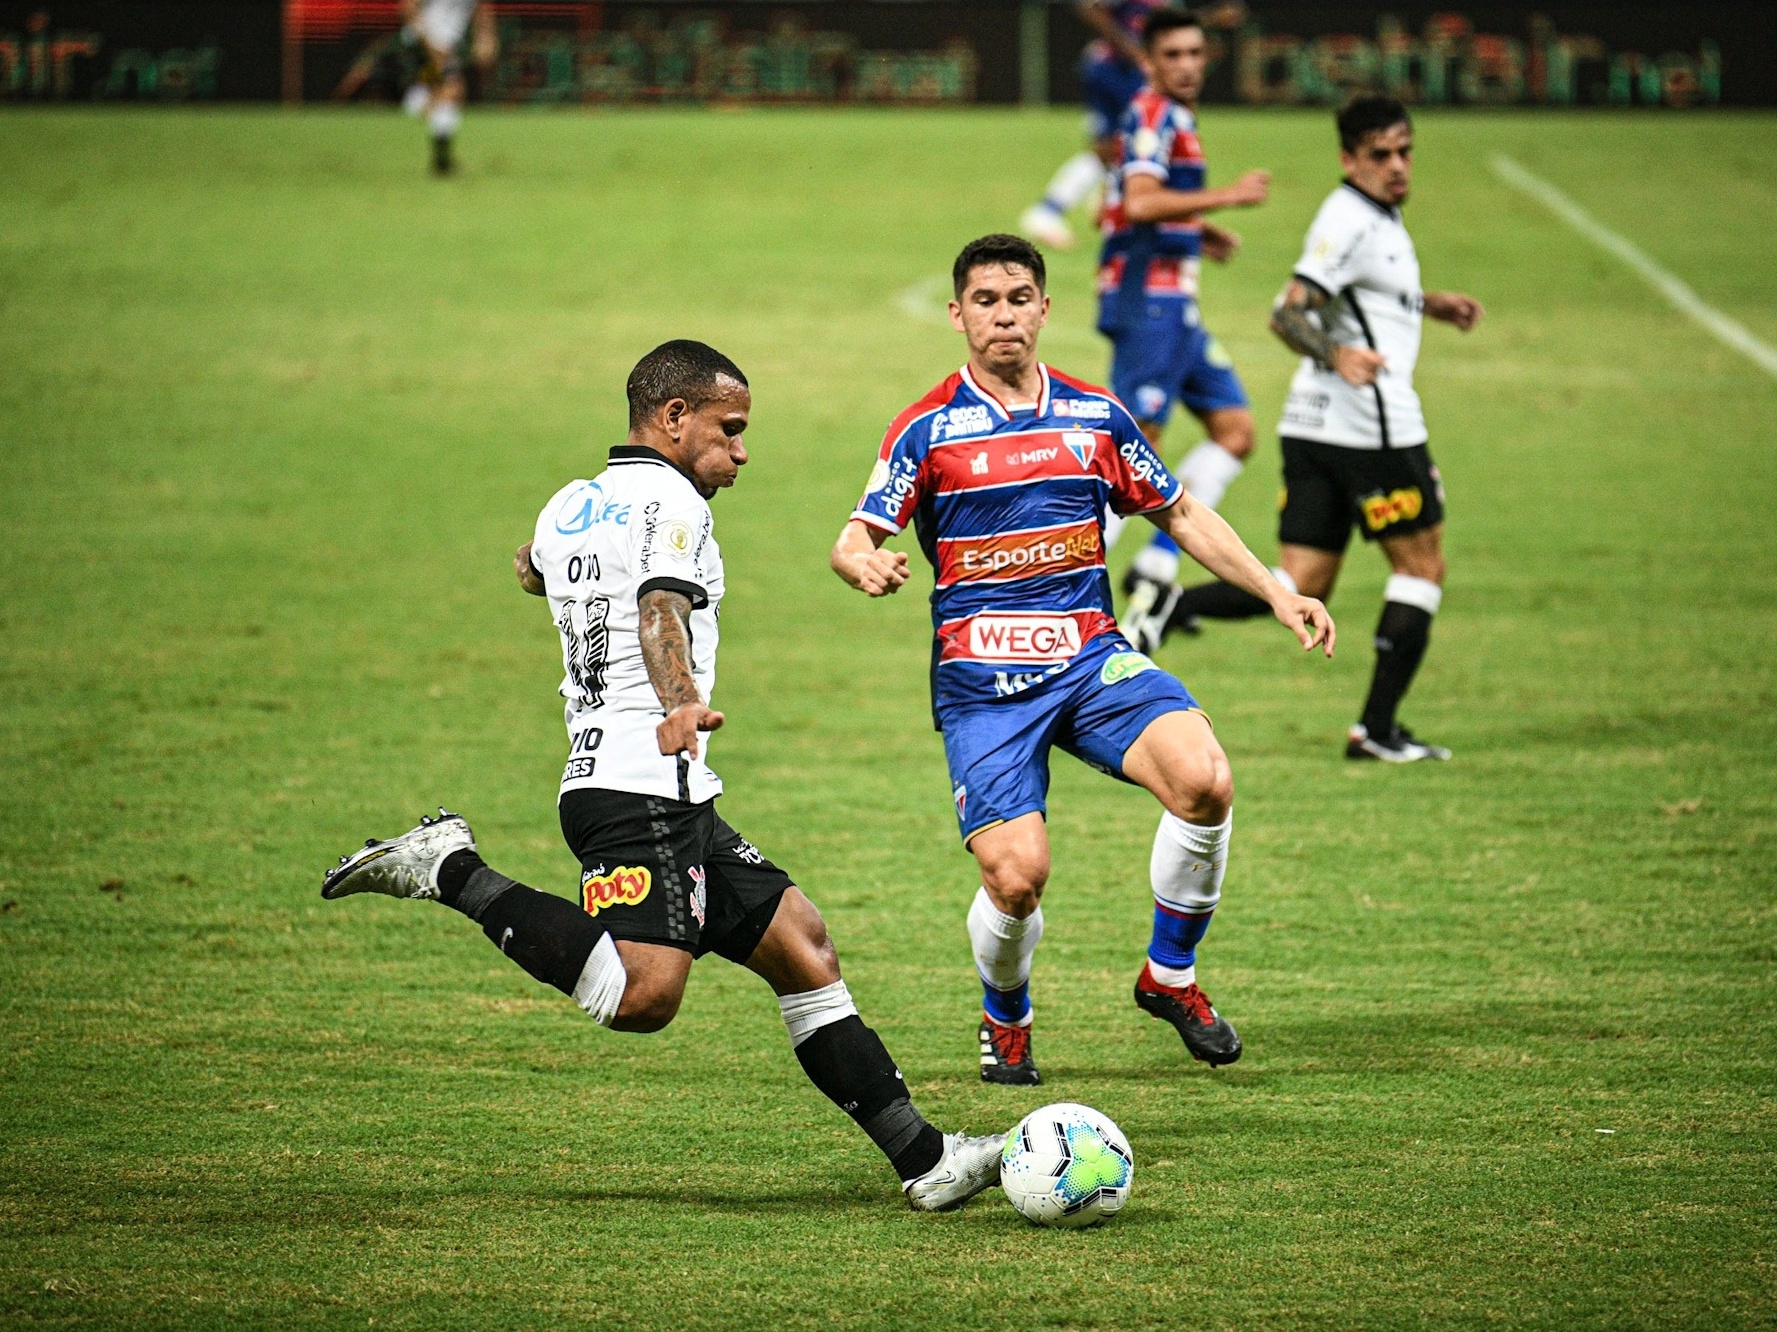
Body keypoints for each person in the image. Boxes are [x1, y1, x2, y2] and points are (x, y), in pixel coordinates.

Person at [321, 341, 1008, 1210]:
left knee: (802, 944)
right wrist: (678, 701)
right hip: (639, 780)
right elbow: (657, 611)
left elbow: (532, 569)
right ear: (673, 418)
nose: (741, 452)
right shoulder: (675, 503)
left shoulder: (572, 499)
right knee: (643, 996)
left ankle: (925, 1160)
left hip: (653, 787)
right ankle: (449, 869)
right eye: (730, 430)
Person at [829, 236, 1335, 1085]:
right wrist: (862, 561)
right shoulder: (926, 429)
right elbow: (856, 533)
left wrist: (1277, 591)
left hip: (1090, 659)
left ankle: (1168, 975)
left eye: (1018, 298)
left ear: (1043, 309)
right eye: (985, 300)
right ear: (957, 315)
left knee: (1205, 778)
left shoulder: (1094, 416)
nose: (1003, 316)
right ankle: (1006, 1012)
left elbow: (1178, 513)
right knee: (1018, 877)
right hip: (982, 684)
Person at [1149, 97, 1485, 763]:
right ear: (1347, 159)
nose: (1396, 167)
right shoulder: (1350, 222)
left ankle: (1169, 608)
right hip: (1372, 428)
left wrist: (1425, 303)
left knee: (1301, 580)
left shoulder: (1370, 220)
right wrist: (1338, 355)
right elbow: (1287, 312)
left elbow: (1363, 291)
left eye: (1404, 151)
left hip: (1311, 427)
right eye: (1379, 155)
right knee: (1421, 567)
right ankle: (1376, 731)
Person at [1092, 8, 1274, 651]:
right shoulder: (1152, 114)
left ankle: (1157, 565)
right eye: (1173, 55)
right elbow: (1140, 200)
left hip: (1178, 309)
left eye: (1196, 54)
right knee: (1132, 455)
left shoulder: (1174, 117)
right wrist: (1223, 198)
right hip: (1149, 305)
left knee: (1235, 430)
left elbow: (1120, 203)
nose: (1188, 66)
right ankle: (1074, 589)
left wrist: (1197, 228)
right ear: (1150, 61)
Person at [1019, 1, 1170, 253]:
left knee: (1119, 148)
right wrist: (1130, 48)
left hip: (1125, 69)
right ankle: (1050, 212)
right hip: (1116, 70)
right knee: (1120, 146)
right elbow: (1091, 7)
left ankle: (1101, 207)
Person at [400, 0, 496, 174]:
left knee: (446, 92)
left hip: (446, 47)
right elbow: (408, 6)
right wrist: (428, 45)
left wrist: (485, 38)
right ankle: (442, 162)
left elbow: (481, 11)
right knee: (453, 89)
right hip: (422, 45)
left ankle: (441, 159)